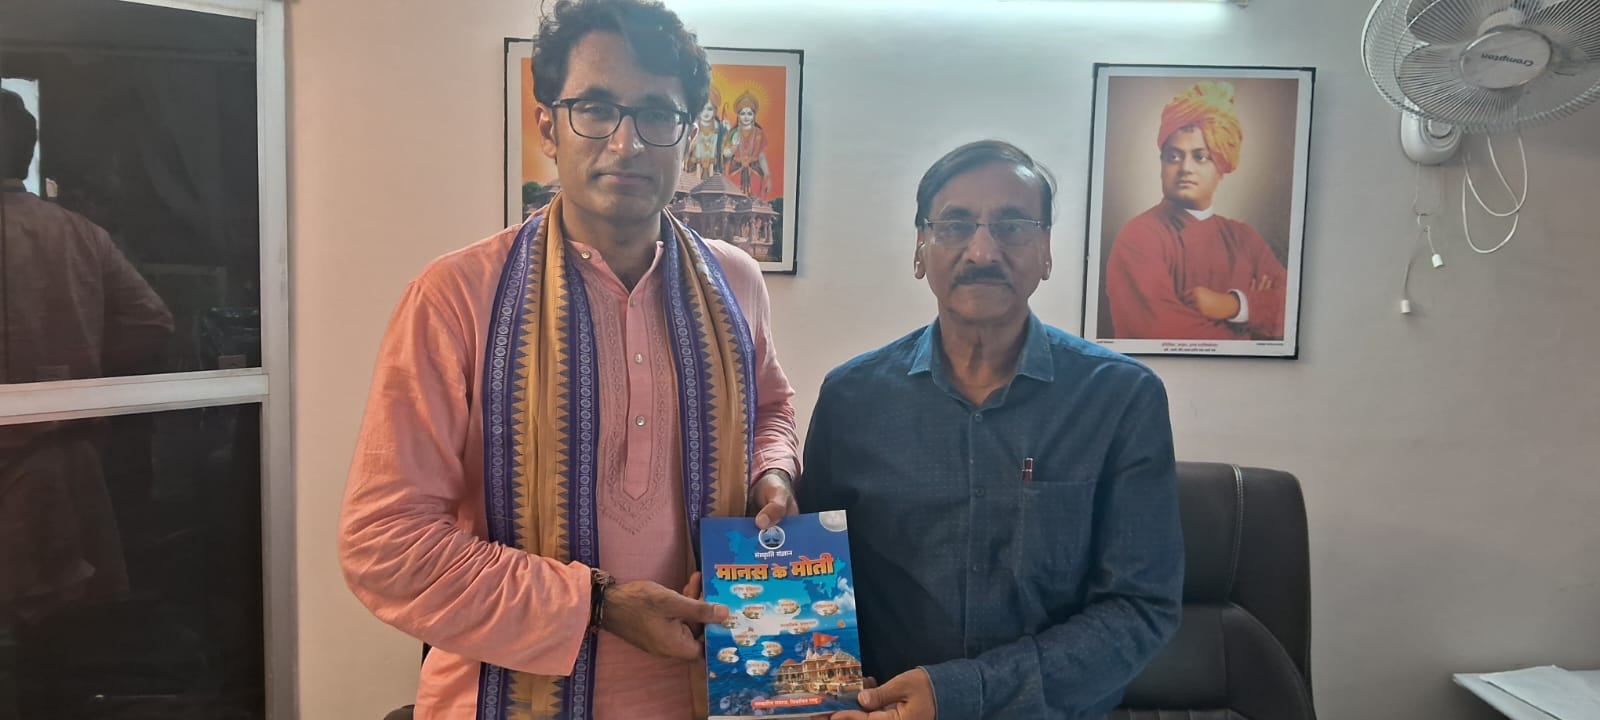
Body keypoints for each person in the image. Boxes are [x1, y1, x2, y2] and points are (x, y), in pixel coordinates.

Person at [337, 2, 802, 719]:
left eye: (658, 113)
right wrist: (595, 604)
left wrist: (773, 472)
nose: (627, 142)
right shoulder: (457, 296)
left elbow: (770, 406)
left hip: (714, 691)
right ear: (548, 126)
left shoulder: (734, 281)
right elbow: (384, 542)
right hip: (501, 695)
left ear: (688, 135)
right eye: (596, 108)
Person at [798, 141, 1183, 719]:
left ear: (1046, 251)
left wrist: (959, 694)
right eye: (955, 225)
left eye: (1013, 226)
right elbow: (813, 578)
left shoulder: (1120, 399)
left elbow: (1141, 609)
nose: (982, 251)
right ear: (920, 248)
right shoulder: (851, 399)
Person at [1, 87, 173, 717]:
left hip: (29, 461)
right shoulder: (79, 232)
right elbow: (152, 323)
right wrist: (80, 362)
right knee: (55, 634)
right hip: (63, 455)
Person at [1104, 80, 1288, 341]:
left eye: (1200, 157)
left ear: (1221, 167)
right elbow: (1160, 333)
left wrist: (1233, 305)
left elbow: (1290, 312)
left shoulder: (1244, 239)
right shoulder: (1139, 236)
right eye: (1174, 157)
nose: (1185, 168)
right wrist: (1252, 326)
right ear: (1162, 164)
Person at [722, 90, 769, 200]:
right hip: (735, 172)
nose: (746, 117)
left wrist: (768, 175)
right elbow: (725, 154)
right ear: (738, 115)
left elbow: (761, 156)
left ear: (754, 115)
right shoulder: (733, 133)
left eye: (749, 114)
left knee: (755, 203)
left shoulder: (759, 133)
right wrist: (734, 146)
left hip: (755, 173)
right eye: (743, 113)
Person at [683, 86, 726, 180]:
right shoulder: (694, 124)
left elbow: (718, 148)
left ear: (715, 111)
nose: (706, 113)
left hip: (712, 163)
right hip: (695, 162)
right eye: (703, 109)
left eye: (709, 109)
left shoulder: (718, 127)